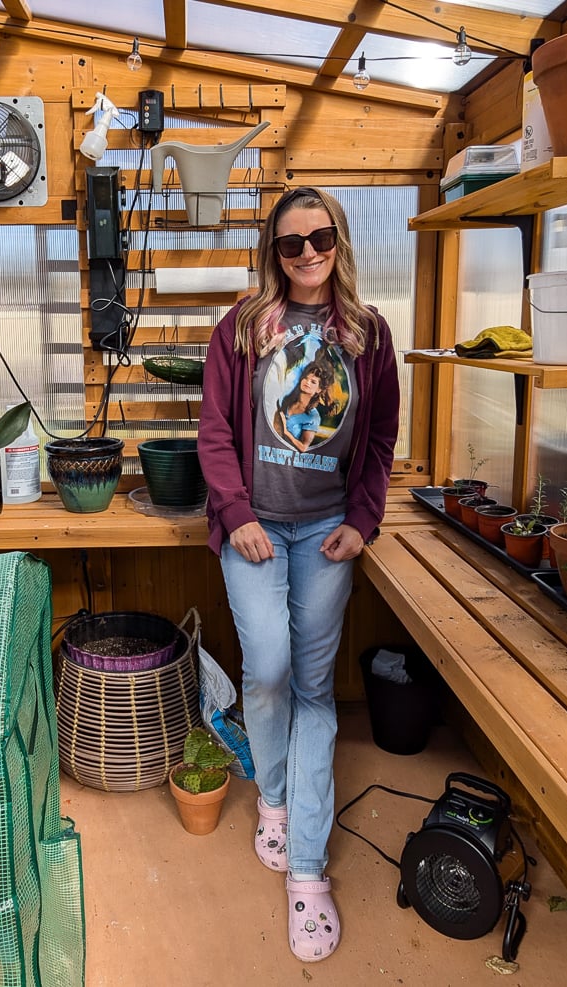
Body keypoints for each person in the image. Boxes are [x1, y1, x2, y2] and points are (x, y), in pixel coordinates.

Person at [197, 187, 400, 963]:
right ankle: (274, 798)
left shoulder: (367, 332)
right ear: (273, 252)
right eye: (291, 243)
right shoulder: (244, 326)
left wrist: (362, 518)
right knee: (269, 666)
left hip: (325, 532)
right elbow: (215, 432)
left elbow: (378, 437)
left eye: (320, 238)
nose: (308, 253)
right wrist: (237, 512)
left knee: (314, 688)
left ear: (339, 241)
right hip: (254, 529)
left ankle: (308, 869)